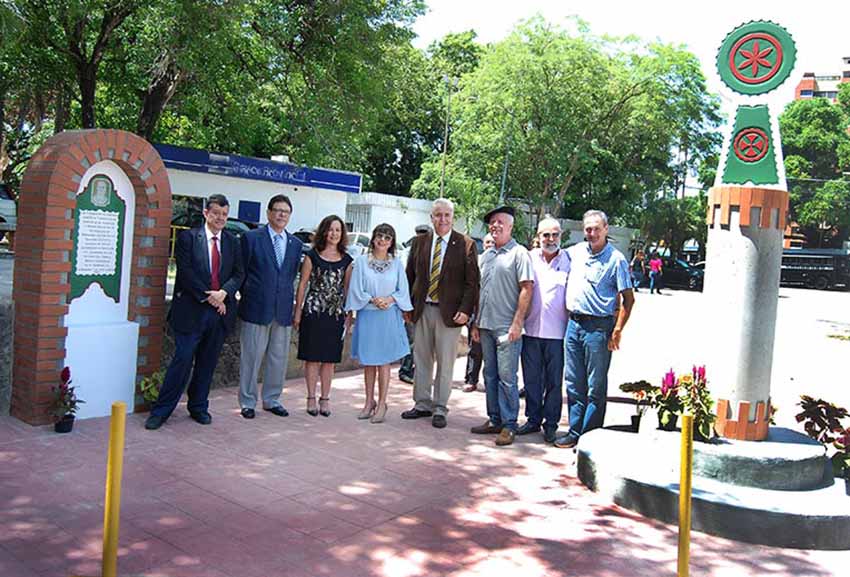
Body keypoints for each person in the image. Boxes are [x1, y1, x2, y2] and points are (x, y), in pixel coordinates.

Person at [145, 194, 244, 430]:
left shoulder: (232, 241)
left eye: (224, 214)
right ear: (206, 213)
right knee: (182, 360)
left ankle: (198, 406)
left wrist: (224, 293)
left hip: (219, 314)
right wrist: (212, 297)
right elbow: (186, 273)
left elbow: (239, 274)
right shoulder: (188, 238)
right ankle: (161, 411)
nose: (220, 218)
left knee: (207, 363)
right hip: (191, 311)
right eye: (216, 213)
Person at [554, 210, 635, 449]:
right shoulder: (576, 252)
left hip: (599, 329)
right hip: (574, 325)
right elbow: (551, 254)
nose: (592, 233)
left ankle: (590, 439)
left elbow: (628, 300)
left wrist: (618, 330)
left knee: (595, 385)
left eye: (596, 228)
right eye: (588, 229)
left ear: (606, 229)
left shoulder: (616, 259)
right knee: (572, 382)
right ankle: (574, 431)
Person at [401, 198, 479, 429]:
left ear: (452, 217)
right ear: (431, 217)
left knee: (445, 363)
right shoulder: (419, 243)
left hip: (450, 314)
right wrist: (407, 306)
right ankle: (422, 404)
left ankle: (440, 407)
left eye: (446, 215)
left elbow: (472, 283)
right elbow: (409, 276)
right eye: (438, 215)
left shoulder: (465, 244)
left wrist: (466, 311)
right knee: (421, 359)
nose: (442, 219)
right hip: (422, 310)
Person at [470, 206, 534, 446]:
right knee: (490, 375)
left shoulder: (519, 254)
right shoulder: (485, 256)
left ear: (510, 226)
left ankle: (509, 425)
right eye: (492, 223)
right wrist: (475, 322)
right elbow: (478, 291)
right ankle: (494, 418)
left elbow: (527, 288)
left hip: (507, 328)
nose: (495, 226)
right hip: (485, 325)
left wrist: (517, 323)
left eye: (500, 222)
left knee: (507, 378)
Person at [236, 195, 303, 419]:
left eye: (286, 211)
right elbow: (241, 272)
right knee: (251, 357)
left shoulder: (295, 244)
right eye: (277, 210)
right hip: (255, 307)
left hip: (282, 309)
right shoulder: (251, 238)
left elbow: (290, 275)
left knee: (278, 357)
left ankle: (272, 399)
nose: (281, 214)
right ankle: (247, 401)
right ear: (269, 213)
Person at [345, 224, 413, 423]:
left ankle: (382, 403)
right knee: (369, 362)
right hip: (368, 315)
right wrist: (373, 299)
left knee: (384, 362)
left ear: (392, 242)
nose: (383, 240)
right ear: (373, 238)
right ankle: (369, 402)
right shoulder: (361, 262)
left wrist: (389, 300)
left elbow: (403, 290)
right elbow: (356, 289)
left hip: (388, 316)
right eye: (380, 236)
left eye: (388, 237)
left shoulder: (397, 264)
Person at [294, 215, 353, 417]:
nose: (333, 234)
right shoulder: (312, 256)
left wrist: (350, 315)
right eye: (330, 229)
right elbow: (302, 284)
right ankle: (310, 397)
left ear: (342, 234)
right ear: (324, 232)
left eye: (337, 230)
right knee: (312, 358)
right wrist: (298, 312)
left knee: (329, 360)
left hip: (335, 314)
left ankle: (325, 398)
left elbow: (347, 290)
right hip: (313, 311)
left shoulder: (347, 260)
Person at [518, 217, 570, 444]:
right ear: (538, 237)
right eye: (546, 235)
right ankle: (532, 419)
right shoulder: (529, 259)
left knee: (553, 383)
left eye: (555, 235)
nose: (550, 239)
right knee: (531, 380)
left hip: (558, 334)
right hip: (530, 331)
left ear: (561, 236)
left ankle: (551, 424)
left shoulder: (570, 260)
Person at [398, 224, 432, 384]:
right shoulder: (408, 252)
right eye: (420, 234)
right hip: (411, 303)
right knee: (411, 339)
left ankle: (414, 370)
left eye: (424, 234)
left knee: (420, 342)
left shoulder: (431, 252)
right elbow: (405, 279)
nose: (422, 236)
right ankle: (405, 370)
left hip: (426, 304)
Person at [463, 233, 495, 393]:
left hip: (495, 314)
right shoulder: (479, 260)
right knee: (474, 349)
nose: (490, 244)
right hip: (477, 311)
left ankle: (491, 383)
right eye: (487, 242)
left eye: (492, 242)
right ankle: (471, 379)